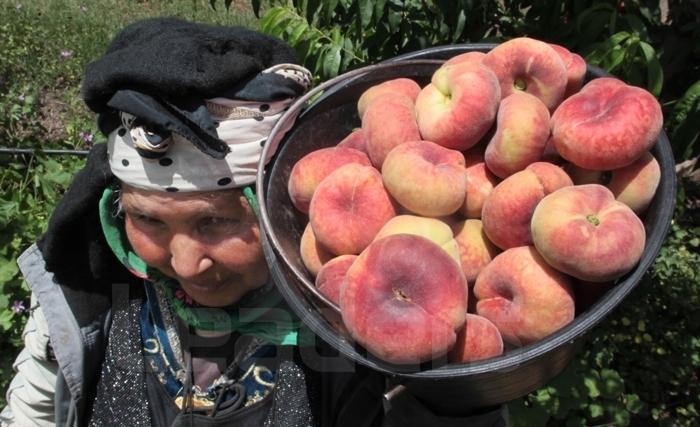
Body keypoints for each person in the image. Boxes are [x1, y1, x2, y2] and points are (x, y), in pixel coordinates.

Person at [0, 17, 508, 426]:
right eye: (147, 221)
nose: (186, 264)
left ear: (279, 214)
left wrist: (459, 393)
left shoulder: (356, 324)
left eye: (213, 223)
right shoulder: (86, 310)